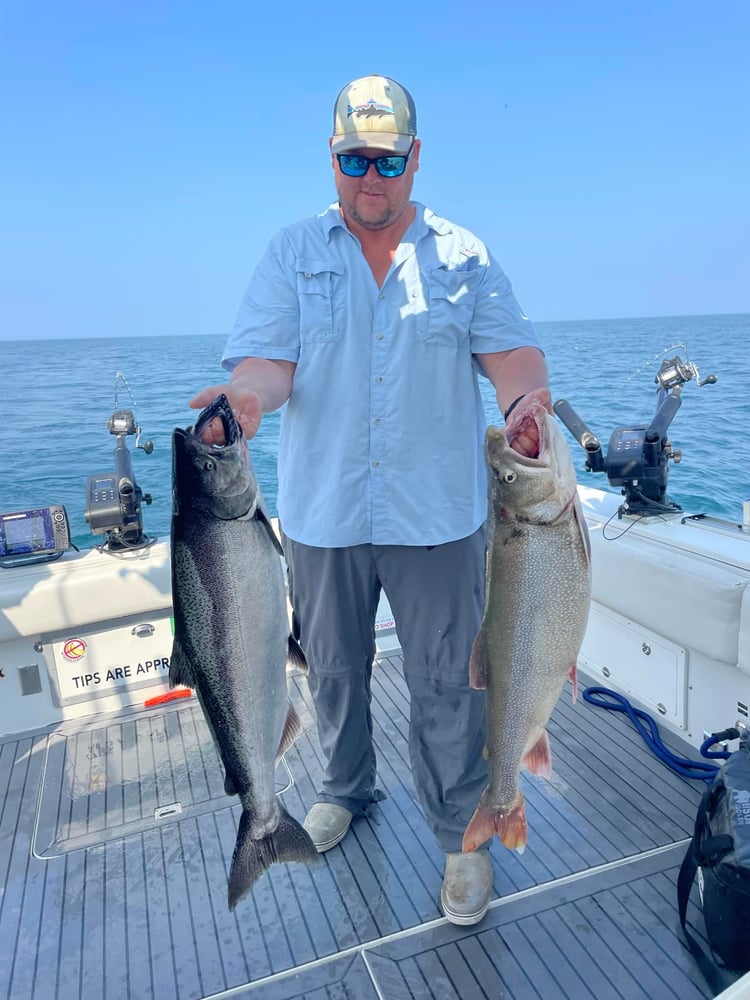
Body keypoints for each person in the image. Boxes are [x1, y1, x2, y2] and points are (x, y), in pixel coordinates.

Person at [191, 73, 551, 926]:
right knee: (335, 670)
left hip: (439, 517)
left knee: (449, 685)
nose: (371, 178)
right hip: (324, 515)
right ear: (332, 158)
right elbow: (267, 364)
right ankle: (345, 788)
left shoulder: (464, 255)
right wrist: (243, 401)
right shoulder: (293, 251)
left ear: (415, 159)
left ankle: (463, 835)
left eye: (387, 161)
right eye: (354, 159)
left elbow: (512, 356)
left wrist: (525, 404)